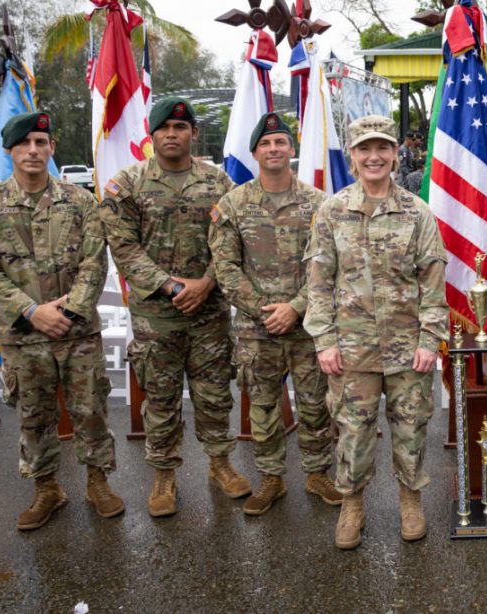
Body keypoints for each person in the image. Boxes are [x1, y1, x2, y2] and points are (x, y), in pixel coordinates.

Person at [99, 97, 250, 517]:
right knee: (161, 398)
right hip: (157, 316)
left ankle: (220, 463)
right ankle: (164, 474)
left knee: (215, 394)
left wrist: (206, 283)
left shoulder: (218, 184)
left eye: (180, 128)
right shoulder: (126, 184)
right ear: (151, 134)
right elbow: (123, 247)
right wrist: (169, 286)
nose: (171, 134)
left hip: (209, 311)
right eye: (163, 128)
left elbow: (234, 241)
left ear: (193, 134)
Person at [305, 115, 448, 550]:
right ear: (352, 156)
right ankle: (352, 504)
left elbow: (432, 282)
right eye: (365, 149)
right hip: (351, 349)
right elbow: (318, 281)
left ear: (394, 154)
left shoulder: (416, 212)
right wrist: (324, 340)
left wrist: (430, 340)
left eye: (382, 148)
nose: (374, 157)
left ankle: (410, 499)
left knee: (410, 428)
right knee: (353, 430)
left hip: (407, 349)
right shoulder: (331, 211)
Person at [0, 112, 123, 530]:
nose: (33, 150)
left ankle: (98, 482)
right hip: (23, 335)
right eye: (24, 144)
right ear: (10, 150)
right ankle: (47, 489)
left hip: (77, 333)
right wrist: (32, 310)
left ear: (52, 148)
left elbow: (95, 262)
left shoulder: (79, 201)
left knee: (90, 409)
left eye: (41, 142)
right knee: (34, 414)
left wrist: (69, 311)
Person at [208, 113, 341, 515]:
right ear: (255, 152)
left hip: (307, 327)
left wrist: (295, 308)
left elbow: (328, 263)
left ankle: (318, 475)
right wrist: (265, 310)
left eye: (280, 142)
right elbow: (224, 266)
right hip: (256, 328)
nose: (273, 149)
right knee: (263, 407)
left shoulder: (319, 203)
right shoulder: (233, 204)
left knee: (316, 404)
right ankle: (271, 478)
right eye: (266, 144)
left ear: (292, 149)